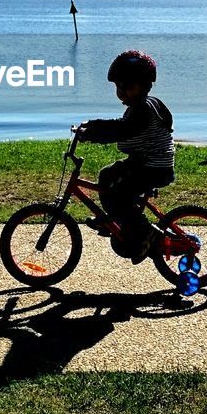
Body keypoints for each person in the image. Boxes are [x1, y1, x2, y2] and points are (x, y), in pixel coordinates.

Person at [77, 50, 175, 264]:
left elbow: (123, 130)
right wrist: (94, 125)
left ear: (144, 85)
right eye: (118, 87)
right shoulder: (140, 107)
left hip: (154, 167)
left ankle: (146, 232)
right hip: (142, 162)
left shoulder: (143, 110)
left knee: (119, 191)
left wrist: (94, 133)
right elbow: (119, 125)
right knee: (107, 175)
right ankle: (118, 221)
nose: (121, 91)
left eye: (127, 86)